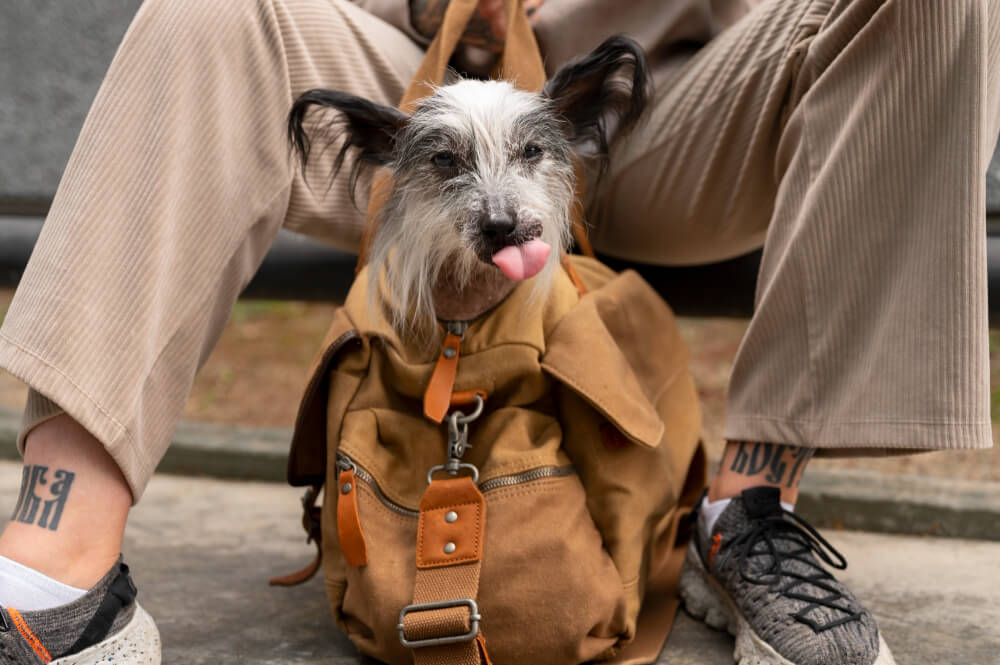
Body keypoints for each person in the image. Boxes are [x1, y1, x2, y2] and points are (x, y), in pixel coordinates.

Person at [0, 0, 996, 663]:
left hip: (652, 100)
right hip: (418, 90)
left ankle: (743, 514)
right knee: (207, 14)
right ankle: (59, 545)